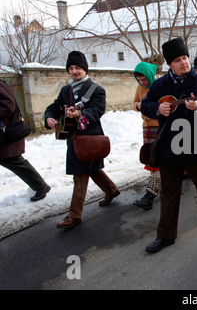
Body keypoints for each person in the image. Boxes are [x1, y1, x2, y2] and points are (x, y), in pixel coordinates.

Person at [140, 37, 197, 253]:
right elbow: (146, 104)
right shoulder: (159, 85)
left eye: (185, 57)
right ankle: (165, 235)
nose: (184, 62)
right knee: (169, 191)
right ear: (169, 64)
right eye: (178, 60)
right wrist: (157, 110)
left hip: (196, 140)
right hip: (170, 145)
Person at [45, 51, 120, 230]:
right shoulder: (66, 90)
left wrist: (80, 114)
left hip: (90, 137)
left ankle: (74, 215)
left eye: (78, 67)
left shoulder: (97, 90)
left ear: (85, 69)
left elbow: (97, 111)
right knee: (91, 169)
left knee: (80, 174)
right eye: (71, 68)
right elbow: (54, 107)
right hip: (73, 138)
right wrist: (49, 117)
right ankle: (111, 190)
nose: (74, 71)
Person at [0, 80, 51, 201]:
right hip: (5, 133)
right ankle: (41, 186)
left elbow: (8, 106)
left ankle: (41, 186)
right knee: (12, 160)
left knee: (13, 160)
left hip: (8, 133)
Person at [131, 61, 159, 210]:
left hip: (160, 127)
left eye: (144, 79)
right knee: (150, 160)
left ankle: (151, 193)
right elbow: (134, 103)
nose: (142, 82)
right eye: (140, 80)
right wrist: (138, 106)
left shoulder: (160, 83)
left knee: (156, 161)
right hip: (147, 128)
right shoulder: (140, 87)